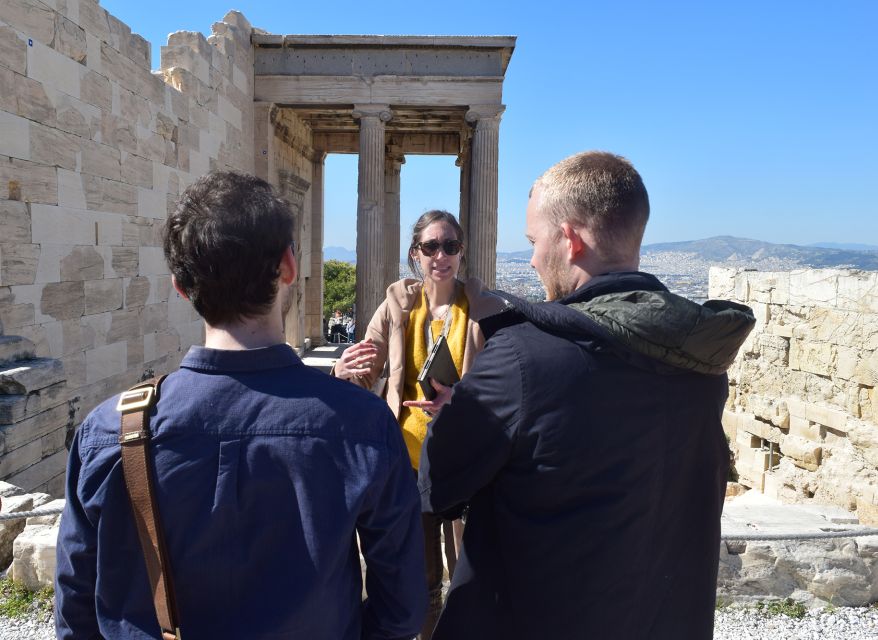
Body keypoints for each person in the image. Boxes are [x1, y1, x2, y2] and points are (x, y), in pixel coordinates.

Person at [55, 171, 426, 640]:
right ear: (289, 266)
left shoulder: (109, 431)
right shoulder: (362, 425)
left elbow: (75, 613)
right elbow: (402, 609)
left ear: (181, 286)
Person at [418, 152, 756, 640]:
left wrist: (457, 413)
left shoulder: (521, 359)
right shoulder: (700, 358)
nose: (531, 258)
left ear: (570, 240)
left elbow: (439, 485)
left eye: (534, 241)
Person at [333, 210, 505, 639]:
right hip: (409, 460)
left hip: (465, 458)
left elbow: (508, 380)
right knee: (423, 575)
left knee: (470, 569)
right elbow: (365, 368)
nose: (441, 255)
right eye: (431, 246)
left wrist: (460, 400)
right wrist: (342, 373)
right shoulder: (397, 304)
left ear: (462, 252)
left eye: (450, 246)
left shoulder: (483, 307)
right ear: (416, 254)